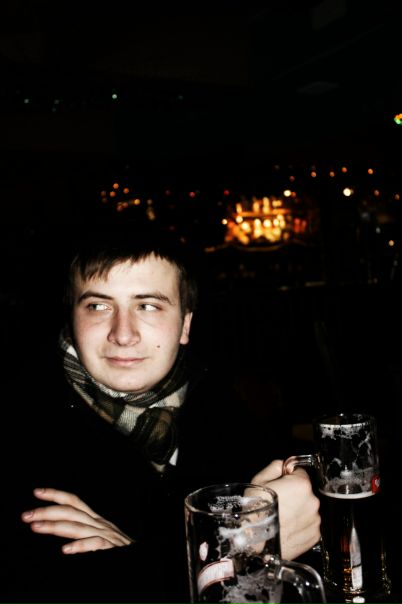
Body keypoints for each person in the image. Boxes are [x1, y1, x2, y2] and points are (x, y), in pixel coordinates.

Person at [1, 221, 320, 603]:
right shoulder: (16, 423)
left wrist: (132, 559)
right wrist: (242, 550)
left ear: (185, 324)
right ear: (73, 317)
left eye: (148, 305)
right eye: (98, 306)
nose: (123, 334)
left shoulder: (224, 407)